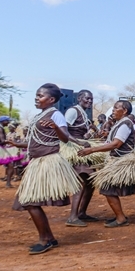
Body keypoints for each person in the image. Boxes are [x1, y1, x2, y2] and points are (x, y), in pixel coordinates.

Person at [12, 84, 82, 254]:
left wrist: (55, 127)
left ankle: (45, 240)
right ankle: (49, 238)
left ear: (51, 99)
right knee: (29, 202)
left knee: (29, 202)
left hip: (48, 161)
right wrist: (17, 144)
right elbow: (35, 141)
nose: (36, 98)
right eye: (36, 95)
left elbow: (65, 138)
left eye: (40, 96)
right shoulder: (39, 115)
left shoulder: (56, 115)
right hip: (37, 162)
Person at [81, 100, 135, 227]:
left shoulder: (125, 123)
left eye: (115, 108)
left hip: (121, 161)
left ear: (124, 111)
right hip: (116, 159)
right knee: (107, 188)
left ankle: (120, 218)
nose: (113, 110)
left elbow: (116, 144)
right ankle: (120, 216)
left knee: (107, 188)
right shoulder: (120, 123)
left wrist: (91, 150)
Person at [63, 89, 100, 227]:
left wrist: (88, 135)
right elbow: (63, 131)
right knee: (81, 181)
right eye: (87, 98)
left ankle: (82, 213)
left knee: (90, 182)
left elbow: (80, 133)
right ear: (79, 98)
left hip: (83, 149)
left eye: (91, 99)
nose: (89, 101)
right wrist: (78, 142)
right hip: (75, 151)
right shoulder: (73, 111)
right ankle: (73, 217)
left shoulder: (83, 113)